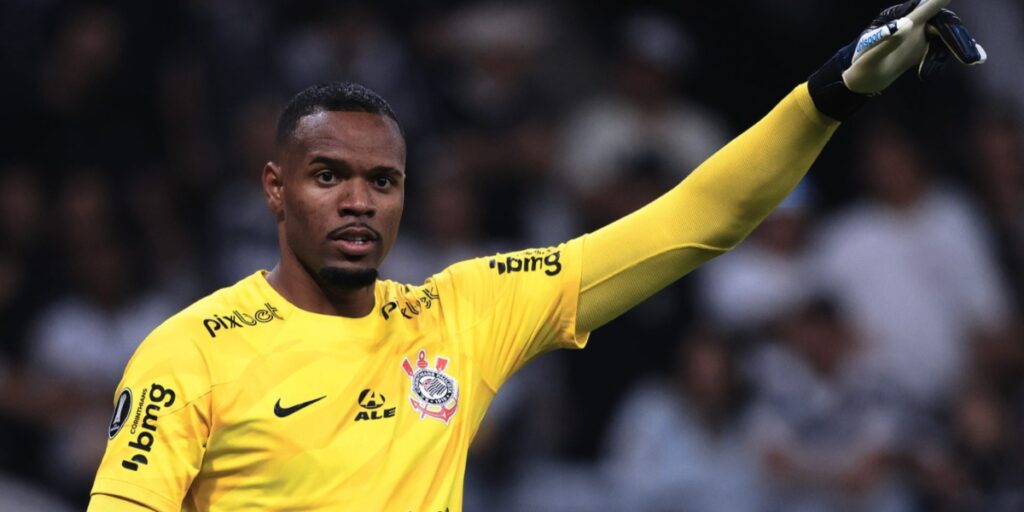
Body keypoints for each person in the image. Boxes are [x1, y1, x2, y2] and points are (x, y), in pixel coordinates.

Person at [87, 1, 986, 510]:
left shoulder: (460, 313)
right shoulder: (193, 349)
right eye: (329, 176)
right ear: (275, 188)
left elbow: (695, 220)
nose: (359, 200)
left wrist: (828, 96)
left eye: (383, 181)